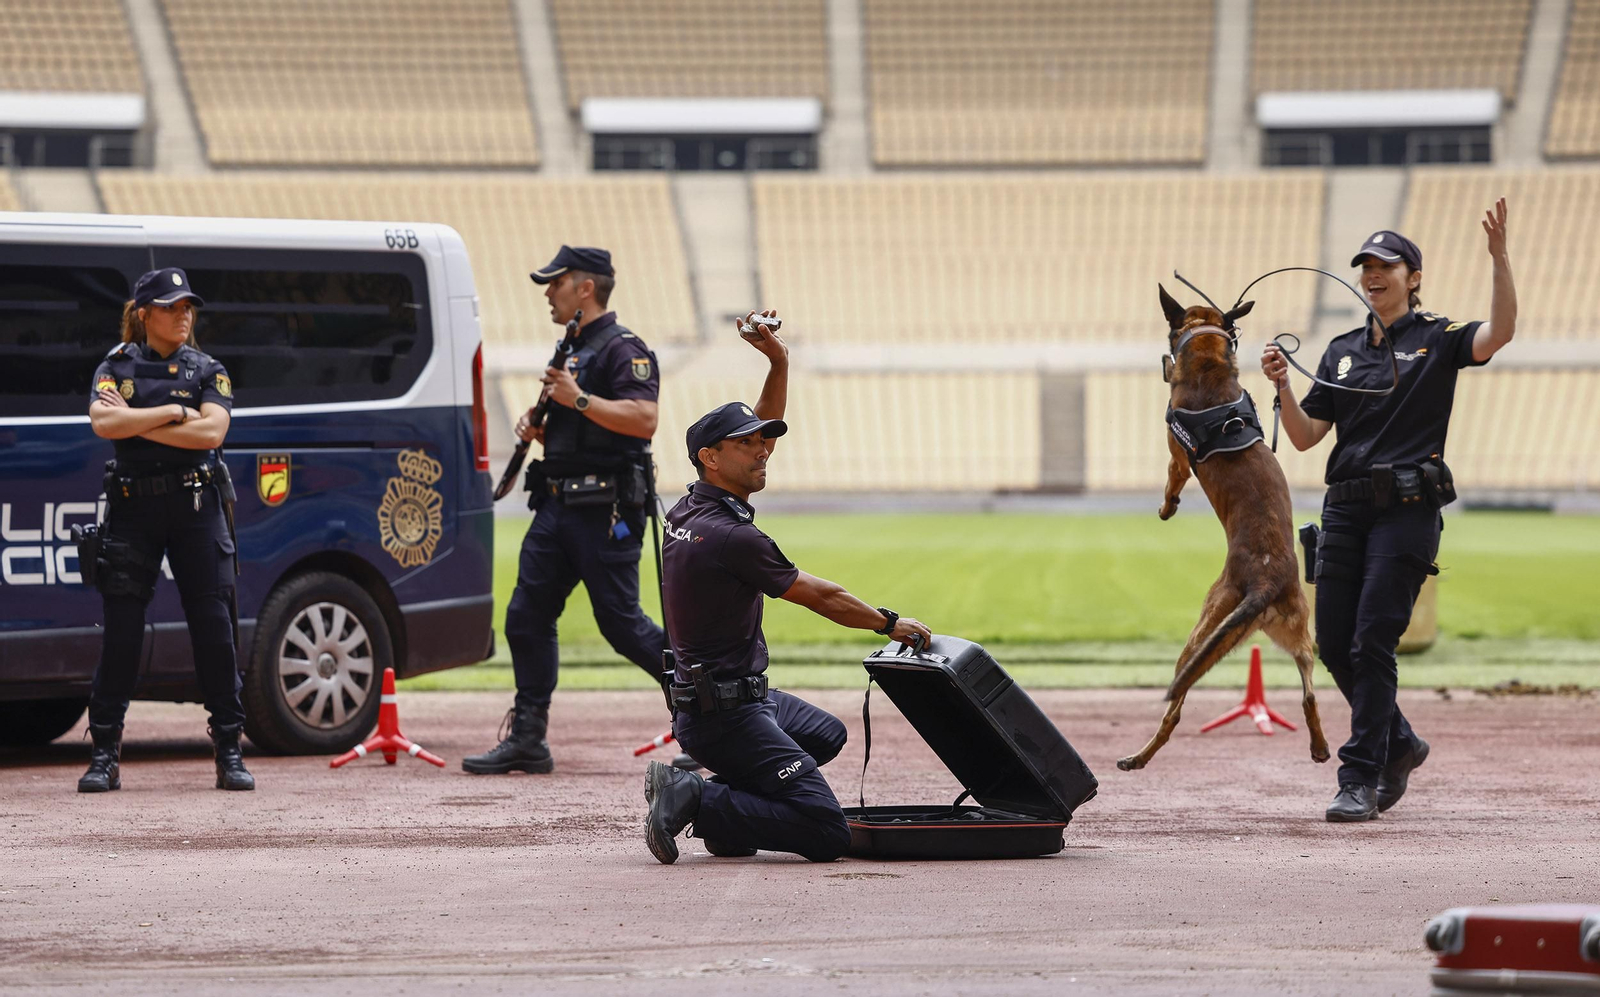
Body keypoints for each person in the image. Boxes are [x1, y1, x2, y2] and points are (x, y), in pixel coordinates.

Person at [643, 311, 932, 864]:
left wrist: (778, 360)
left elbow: (761, 428)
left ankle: (730, 819)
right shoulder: (731, 536)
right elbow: (820, 596)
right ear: (710, 457)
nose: (762, 451)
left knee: (825, 735)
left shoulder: (692, 506)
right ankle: (697, 799)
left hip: (724, 698)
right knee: (826, 831)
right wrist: (889, 623)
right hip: (723, 715)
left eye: (763, 442)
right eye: (747, 444)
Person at [1262, 200, 1517, 822]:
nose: (1374, 274)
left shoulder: (1439, 338)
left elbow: (1501, 333)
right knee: (1335, 646)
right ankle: (1401, 742)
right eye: (1367, 266)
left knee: (1374, 637)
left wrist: (1499, 258)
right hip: (1345, 511)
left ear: (1414, 276)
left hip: (1407, 509)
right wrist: (1282, 388)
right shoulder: (1343, 350)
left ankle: (1362, 774)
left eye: (1387, 265)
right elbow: (1303, 437)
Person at [464, 246, 668, 775]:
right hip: (556, 506)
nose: (547, 294)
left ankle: (710, 716)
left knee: (622, 626)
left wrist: (577, 399)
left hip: (607, 509)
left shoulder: (625, 348)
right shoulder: (572, 348)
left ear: (585, 288)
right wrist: (543, 425)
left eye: (554, 284)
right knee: (525, 617)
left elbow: (644, 418)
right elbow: (584, 423)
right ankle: (529, 738)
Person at [82, 267, 252, 793]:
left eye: (187, 307)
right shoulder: (116, 365)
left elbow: (213, 431)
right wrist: (176, 412)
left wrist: (141, 420)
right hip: (134, 510)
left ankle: (229, 750)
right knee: (123, 633)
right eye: (172, 306)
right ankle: (105, 753)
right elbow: (104, 424)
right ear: (143, 314)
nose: (183, 315)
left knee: (213, 628)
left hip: (196, 507)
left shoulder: (207, 368)